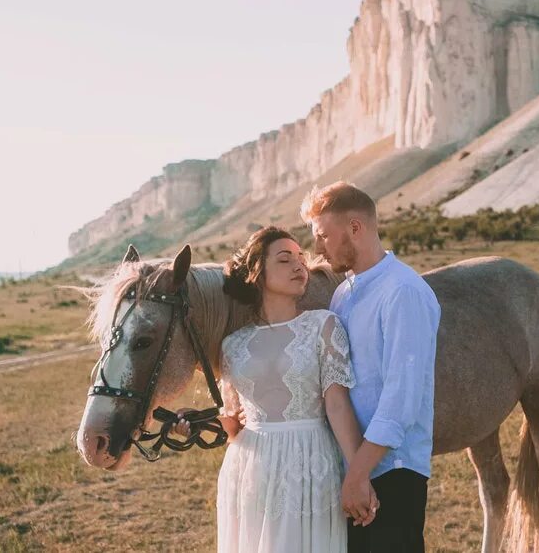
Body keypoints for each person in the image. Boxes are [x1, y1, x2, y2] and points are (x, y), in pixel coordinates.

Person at [177, 226, 378, 553]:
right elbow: (235, 423)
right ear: (257, 272)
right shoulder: (232, 345)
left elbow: (338, 407)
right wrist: (204, 422)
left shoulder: (323, 326)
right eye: (286, 259)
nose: (300, 266)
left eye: (301, 258)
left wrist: (359, 475)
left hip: (310, 461)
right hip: (248, 469)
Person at [301, 182, 441, 553]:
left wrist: (358, 474)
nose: (317, 248)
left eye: (323, 236)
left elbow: (401, 399)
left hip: (393, 471)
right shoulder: (343, 294)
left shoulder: (403, 291)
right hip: (355, 469)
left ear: (355, 229)